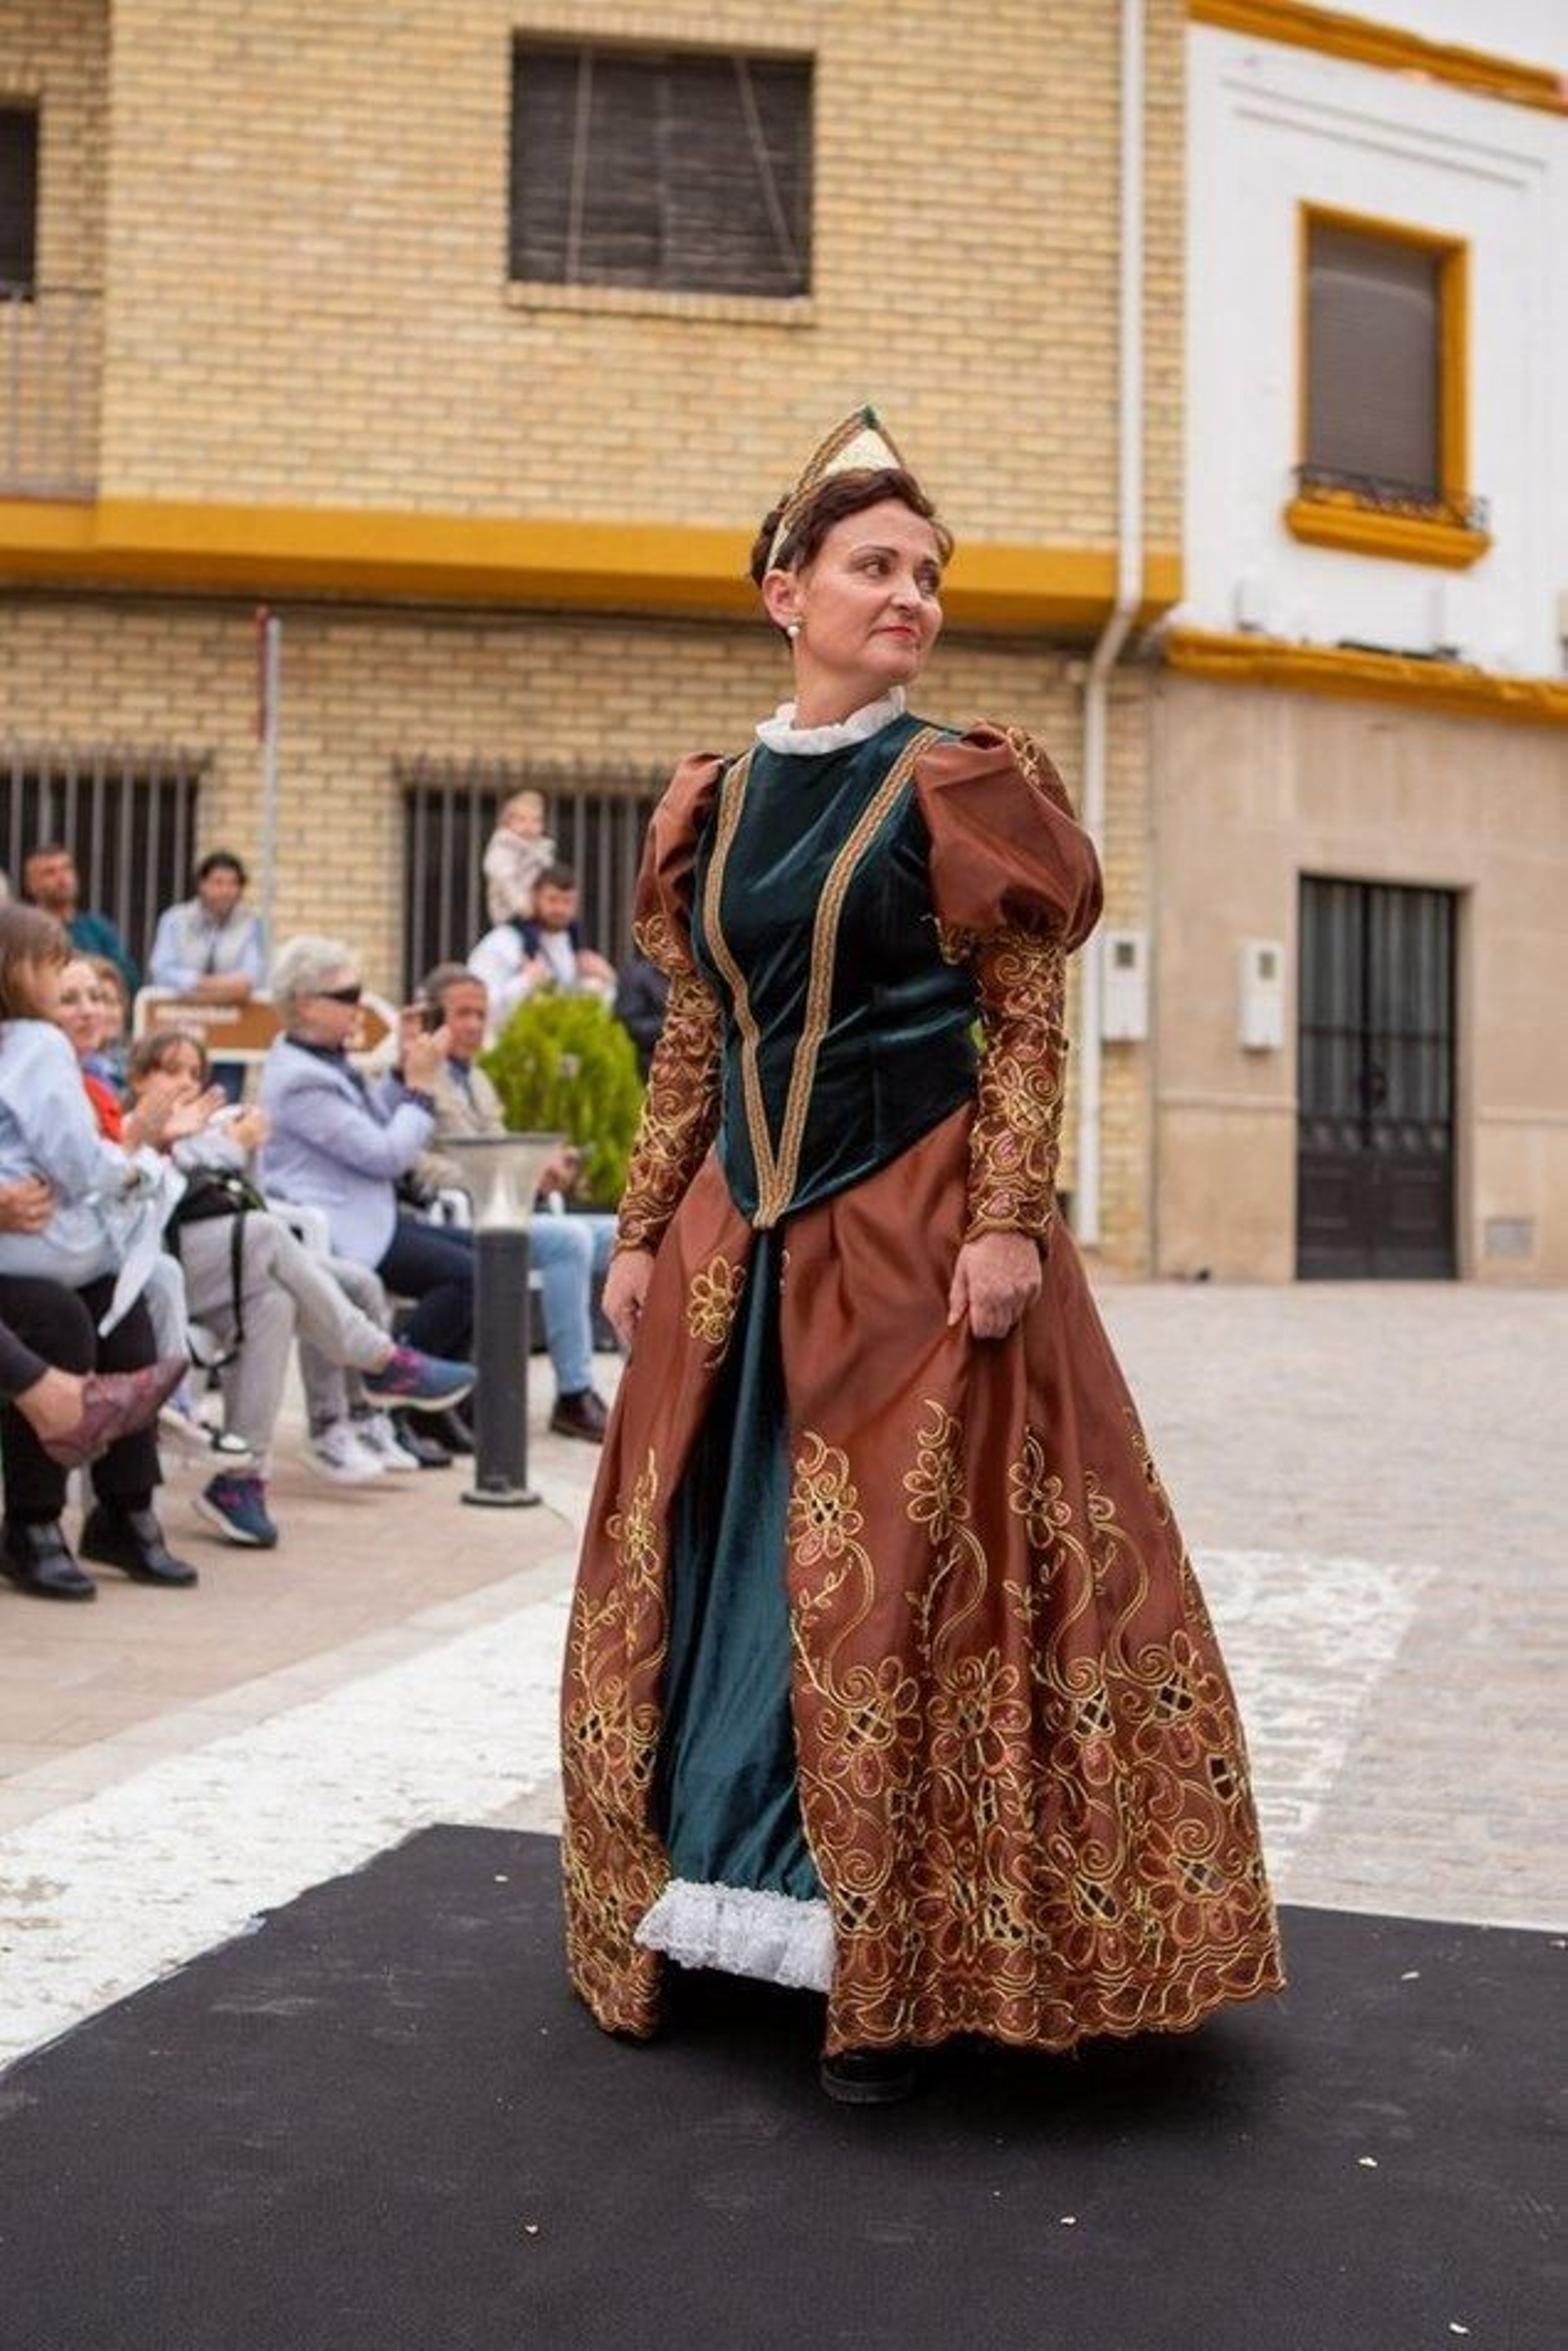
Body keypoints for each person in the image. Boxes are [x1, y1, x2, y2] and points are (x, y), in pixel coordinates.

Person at [562, 409, 1285, 2105]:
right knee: (720, 1557)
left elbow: (1023, 1020)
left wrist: (1010, 1216)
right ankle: (714, 1896)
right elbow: (698, 1035)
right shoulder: (715, 799)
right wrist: (644, 1227)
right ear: (786, 593)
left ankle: (898, 1955)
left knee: (897, 1579)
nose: (910, 596)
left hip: (915, 1230)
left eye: (928, 574)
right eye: (875, 566)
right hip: (743, 1242)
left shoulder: (960, 778)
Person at [124, 1028, 471, 1547]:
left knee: (276, 1301)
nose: (185, 1083)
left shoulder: (202, 1130)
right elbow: (149, 1198)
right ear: (138, 1078)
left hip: (218, 1264)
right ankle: (377, 1362)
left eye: (194, 1073)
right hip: (156, 1270)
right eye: (170, 1070)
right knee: (266, 1237)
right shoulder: (135, 1125)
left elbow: (247, 1198)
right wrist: (219, 1146)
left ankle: (241, 1481)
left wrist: (245, 1151)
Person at [0, 903, 196, 1598]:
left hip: (25, 1240)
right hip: (26, 1249)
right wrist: (131, 1168)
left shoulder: (32, 1047)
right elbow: (74, 1157)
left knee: (123, 1308)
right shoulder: (36, 1045)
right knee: (62, 1316)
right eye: (57, 968)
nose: (67, 986)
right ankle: (33, 1521)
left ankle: (125, 1508)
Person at [416, 960, 614, 1441]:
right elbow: (415, 1164)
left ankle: (659, 1384)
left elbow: (499, 1146)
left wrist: (539, 1170)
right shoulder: (418, 1077)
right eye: (462, 1014)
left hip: (508, 1206)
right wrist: (496, 1176)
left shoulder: (477, 1080)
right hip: (465, 1218)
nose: (473, 1025)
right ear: (432, 1018)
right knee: (568, 1240)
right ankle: (574, 1394)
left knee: (624, 1234)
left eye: (480, 1014)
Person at [467, 863, 616, 1043]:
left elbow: (585, 1011)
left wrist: (608, 979)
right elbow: (480, 1006)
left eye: (567, 901)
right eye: (552, 900)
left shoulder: (573, 947)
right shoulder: (501, 943)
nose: (560, 909)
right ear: (534, 897)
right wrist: (524, 982)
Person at [21, 844, 139, 998]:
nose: (62, 878)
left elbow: (130, 979)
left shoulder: (97, 927)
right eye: (50, 872)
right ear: (31, 884)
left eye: (66, 868)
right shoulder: (23, 932)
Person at [482, 788, 557, 927]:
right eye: (521, 820)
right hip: (511, 914)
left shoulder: (542, 850)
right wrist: (523, 907)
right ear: (507, 822)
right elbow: (506, 881)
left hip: (540, 912)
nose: (529, 826)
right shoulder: (503, 847)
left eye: (536, 820)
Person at [612, 950, 669, 1078]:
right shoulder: (637, 975)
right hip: (646, 1065)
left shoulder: (683, 975)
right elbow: (626, 1026)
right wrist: (668, 1025)